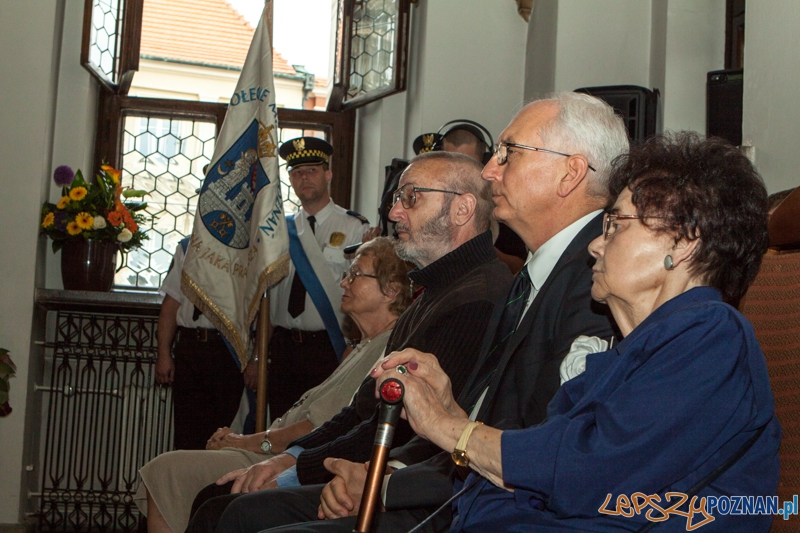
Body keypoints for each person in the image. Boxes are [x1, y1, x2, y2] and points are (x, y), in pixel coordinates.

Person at [223, 93, 629, 532]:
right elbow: (481, 422)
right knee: (238, 512)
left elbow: (553, 453)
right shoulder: (534, 276)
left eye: (509, 153)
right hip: (462, 490)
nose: (490, 171)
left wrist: (385, 484)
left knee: (246, 518)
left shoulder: (595, 279)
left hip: (502, 514)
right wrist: (410, 448)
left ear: (570, 172)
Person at [375, 132, 781, 532]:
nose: (595, 246)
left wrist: (443, 425)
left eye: (616, 225)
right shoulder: (628, 354)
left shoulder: (711, 334)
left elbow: (583, 470)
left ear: (684, 240)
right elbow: (539, 467)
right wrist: (448, 413)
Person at [185, 151, 513, 533]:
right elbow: (362, 410)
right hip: (375, 466)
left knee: (236, 514)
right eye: (397, 199)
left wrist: (298, 468)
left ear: (462, 209)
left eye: (411, 197)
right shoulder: (436, 290)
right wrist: (291, 458)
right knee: (218, 504)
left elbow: (406, 431)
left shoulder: (477, 298)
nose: (394, 213)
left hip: (418, 493)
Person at [135, 237, 412, 533]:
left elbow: (317, 427)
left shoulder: (388, 351)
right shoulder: (362, 345)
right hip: (276, 452)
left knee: (167, 471)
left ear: (390, 290)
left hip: (286, 457)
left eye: (355, 275)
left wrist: (243, 441)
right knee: (172, 473)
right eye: (347, 274)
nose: (344, 283)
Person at [269, 136, 371, 416]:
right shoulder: (278, 230)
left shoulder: (354, 227)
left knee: (319, 422)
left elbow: (363, 291)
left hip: (328, 345)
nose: (304, 177)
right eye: (297, 172)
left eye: (312, 170)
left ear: (328, 175)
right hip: (283, 346)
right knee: (279, 422)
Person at [156, 237, 248, 450]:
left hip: (226, 351)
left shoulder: (246, 246)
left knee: (222, 436)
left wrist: (255, 357)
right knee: (187, 433)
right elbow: (171, 305)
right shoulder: (187, 246)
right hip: (190, 346)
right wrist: (163, 353)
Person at [413, 123, 528, 273]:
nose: (459, 173)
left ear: (483, 162)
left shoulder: (501, 203)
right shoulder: (425, 198)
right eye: (451, 164)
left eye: (468, 164)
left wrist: (478, 247)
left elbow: (519, 265)